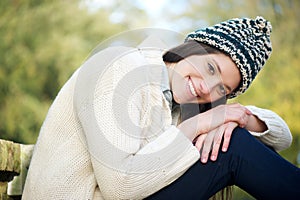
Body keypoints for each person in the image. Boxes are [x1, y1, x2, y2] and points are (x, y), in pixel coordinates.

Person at [22, 16, 299, 200]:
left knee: (232, 139)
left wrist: (237, 117)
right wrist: (200, 125)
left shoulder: (180, 104)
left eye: (221, 90)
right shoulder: (117, 68)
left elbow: (282, 137)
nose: (207, 88)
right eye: (210, 68)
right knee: (233, 148)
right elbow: (120, 186)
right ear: (191, 48)